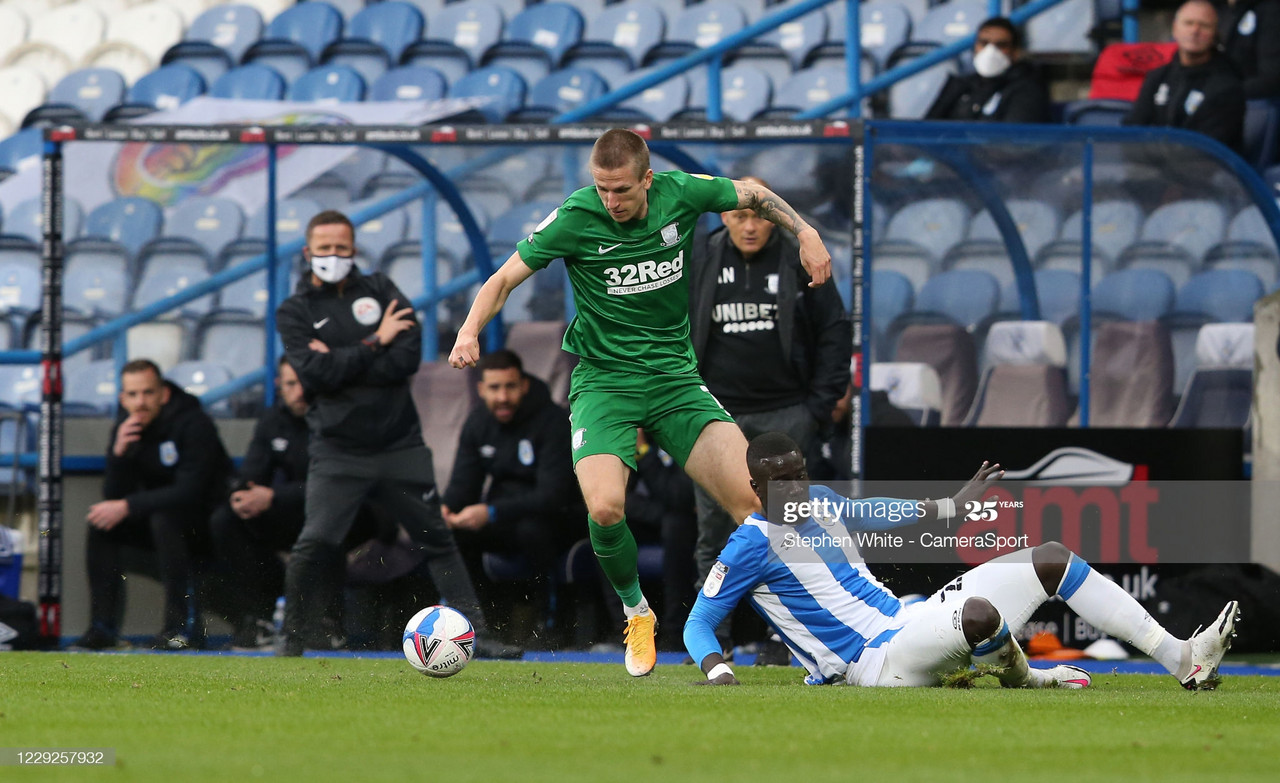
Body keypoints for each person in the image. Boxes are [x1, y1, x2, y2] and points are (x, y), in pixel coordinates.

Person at [449, 128, 834, 677]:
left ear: (647, 180)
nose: (611, 201)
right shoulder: (575, 217)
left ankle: (812, 639)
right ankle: (637, 611)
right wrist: (469, 331)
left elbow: (752, 194)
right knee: (605, 508)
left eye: (622, 190)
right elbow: (503, 278)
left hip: (675, 382)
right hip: (604, 385)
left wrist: (806, 232)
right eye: (602, 189)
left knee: (758, 509)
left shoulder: (683, 193)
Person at [685, 432, 1241, 690]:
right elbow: (699, 623)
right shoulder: (750, 545)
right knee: (977, 616)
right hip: (874, 665)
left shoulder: (824, 502)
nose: (797, 487)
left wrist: (951, 503)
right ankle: (1029, 682)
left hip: (907, 620)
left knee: (1049, 558)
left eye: (800, 473)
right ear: (755, 487)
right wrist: (718, 670)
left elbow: (880, 511)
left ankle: (1183, 659)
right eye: (782, 481)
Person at [276, 210, 516, 659]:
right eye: (324, 249)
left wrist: (344, 360)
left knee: (437, 540)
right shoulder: (294, 311)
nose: (333, 256)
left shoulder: (381, 288)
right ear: (308, 253)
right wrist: (374, 341)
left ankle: (477, 635)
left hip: (399, 444)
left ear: (354, 250)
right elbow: (315, 374)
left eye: (341, 248)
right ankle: (292, 640)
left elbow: (405, 360)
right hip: (338, 450)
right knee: (316, 542)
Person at [688, 174, 850, 654]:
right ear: (724, 217)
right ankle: (711, 638)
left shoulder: (801, 256)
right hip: (717, 417)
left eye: (758, 215)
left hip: (787, 416)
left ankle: (790, 639)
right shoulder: (699, 258)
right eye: (739, 216)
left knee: (796, 531)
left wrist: (817, 410)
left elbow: (835, 331)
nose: (750, 226)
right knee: (713, 531)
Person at [208, 357, 384, 650]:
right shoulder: (272, 420)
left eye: (305, 382)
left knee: (327, 518)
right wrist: (242, 495)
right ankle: (259, 617)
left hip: (355, 513)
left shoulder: (339, 418)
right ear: (279, 386)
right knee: (226, 520)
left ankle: (327, 623)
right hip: (293, 514)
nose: (299, 391)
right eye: (291, 383)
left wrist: (274, 496)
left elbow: (336, 483)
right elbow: (253, 471)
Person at [72, 359, 233, 651]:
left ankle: (180, 630)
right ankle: (102, 628)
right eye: (132, 395)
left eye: (147, 393)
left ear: (164, 394)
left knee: (164, 518)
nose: (140, 402)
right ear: (122, 398)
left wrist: (128, 506)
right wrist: (119, 454)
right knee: (102, 523)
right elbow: (114, 494)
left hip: (206, 526)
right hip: (158, 522)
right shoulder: (126, 427)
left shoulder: (195, 423)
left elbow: (190, 491)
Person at [442, 349, 579, 631]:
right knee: (455, 533)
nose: (502, 397)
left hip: (556, 519)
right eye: (494, 388)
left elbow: (553, 496)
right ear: (481, 389)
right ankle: (479, 626)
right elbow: (463, 484)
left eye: (510, 387)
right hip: (503, 518)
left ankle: (550, 626)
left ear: (524, 385)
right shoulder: (478, 423)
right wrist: (446, 510)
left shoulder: (553, 421)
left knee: (533, 530)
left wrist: (491, 512)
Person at [1124, 0, 1246, 152]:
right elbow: (1131, 131)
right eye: (1188, 23)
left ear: (1215, 33)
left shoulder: (1227, 87)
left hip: (1203, 172)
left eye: (1204, 25)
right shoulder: (1158, 76)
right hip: (1150, 169)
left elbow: (1209, 151)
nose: (1195, 30)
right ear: (1175, 29)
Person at [925, 17, 1050, 123]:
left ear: (1015, 52)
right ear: (975, 48)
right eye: (984, 43)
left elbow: (1013, 143)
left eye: (1000, 45)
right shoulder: (959, 85)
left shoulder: (1028, 89)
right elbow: (925, 130)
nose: (990, 51)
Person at [1216, 0, 1280, 99]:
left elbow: (1271, 77)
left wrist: (1226, 91)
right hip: (1218, 94)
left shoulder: (1270, 9)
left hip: (1257, 99)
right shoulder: (1210, 7)